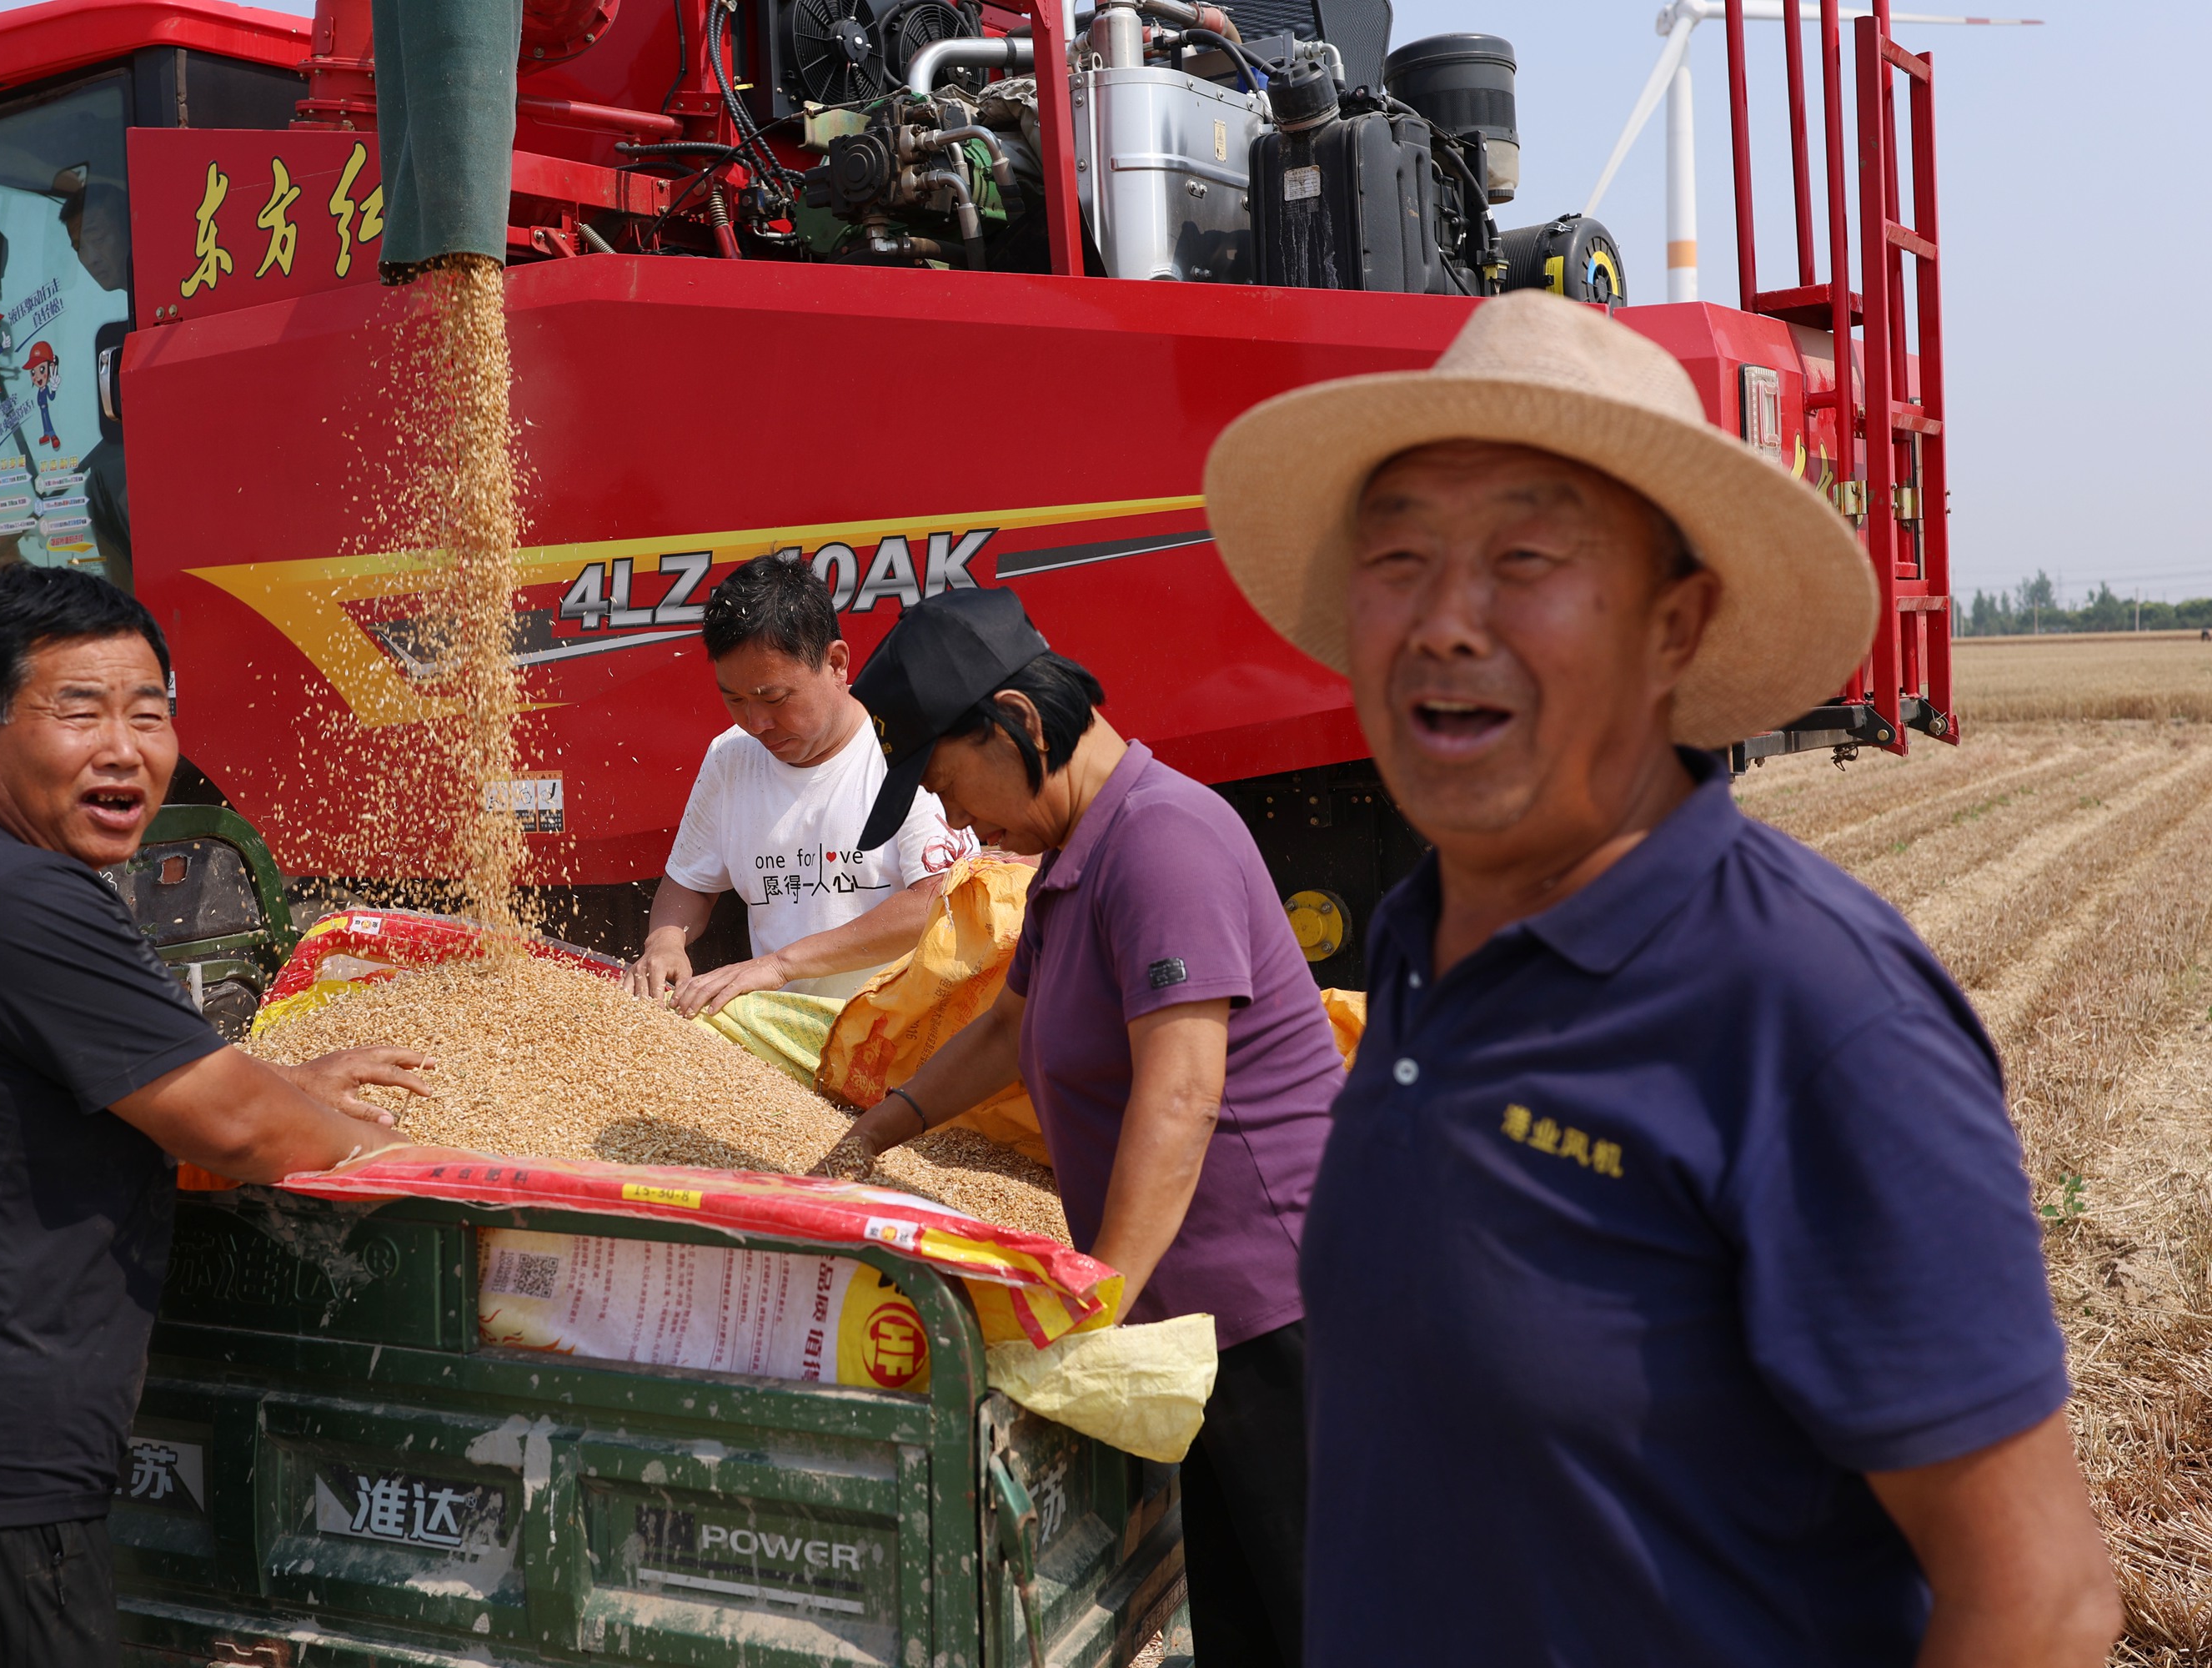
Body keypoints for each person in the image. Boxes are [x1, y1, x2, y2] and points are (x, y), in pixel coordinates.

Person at [1202, 289, 2121, 1665]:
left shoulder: (1808, 1014)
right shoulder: (1411, 950)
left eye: (1525, 556)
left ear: (1676, 628)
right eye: (1397, 556)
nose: (1446, 620)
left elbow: (2040, 1607)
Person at [0, 567, 431, 1666]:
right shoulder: (22, 900)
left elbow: (181, 1079)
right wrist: (436, 1155)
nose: (126, 749)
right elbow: (235, 1129)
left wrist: (297, 1085)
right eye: (80, 712)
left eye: (149, 714)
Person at [816, 587, 1338, 1668]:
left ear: (1016, 721)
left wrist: (1091, 1299)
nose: (959, 828)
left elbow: (1184, 1093)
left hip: (1280, 1316)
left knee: (1326, 1618)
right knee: (1248, 1627)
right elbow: (1010, 1024)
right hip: (1197, 1328)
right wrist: (877, 1133)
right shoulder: (1074, 860)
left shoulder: (1163, 843)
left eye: (953, 787)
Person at [626, 554, 974, 1016]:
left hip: (896, 1030)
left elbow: (940, 901)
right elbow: (691, 881)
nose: (756, 722)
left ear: (836, 663)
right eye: (734, 699)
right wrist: (666, 941)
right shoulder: (731, 757)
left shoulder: (905, 747)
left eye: (774, 698)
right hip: (778, 1031)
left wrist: (780, 965)